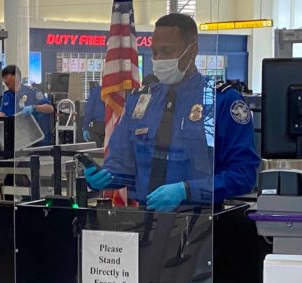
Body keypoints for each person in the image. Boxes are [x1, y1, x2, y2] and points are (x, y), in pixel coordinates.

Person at [84, 13, 260, 211]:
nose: (158, 60)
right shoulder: (141, 101)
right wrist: (105, 177)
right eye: (155, 52)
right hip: (144, 221)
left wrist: (186, 191)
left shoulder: (221, 102)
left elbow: (244, 174)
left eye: (167, 51)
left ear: (192, 49)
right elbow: (124, 164)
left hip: (200, 225)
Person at [0, 65, 55, 145]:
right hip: (16, 138)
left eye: (7, 77)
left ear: (16, 77)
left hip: (34, 138)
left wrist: (34, 107)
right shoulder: (7, 95)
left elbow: (50, 108)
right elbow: (2, 112)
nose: (6, 81)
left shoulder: (32, 92)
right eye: (4, 78)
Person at [82, 82, 106, 147]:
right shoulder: (118, 92)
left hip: (98, 126)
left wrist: (85, 127)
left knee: (97, 153)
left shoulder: (96, 91)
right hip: (112, 126)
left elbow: (89, 111)